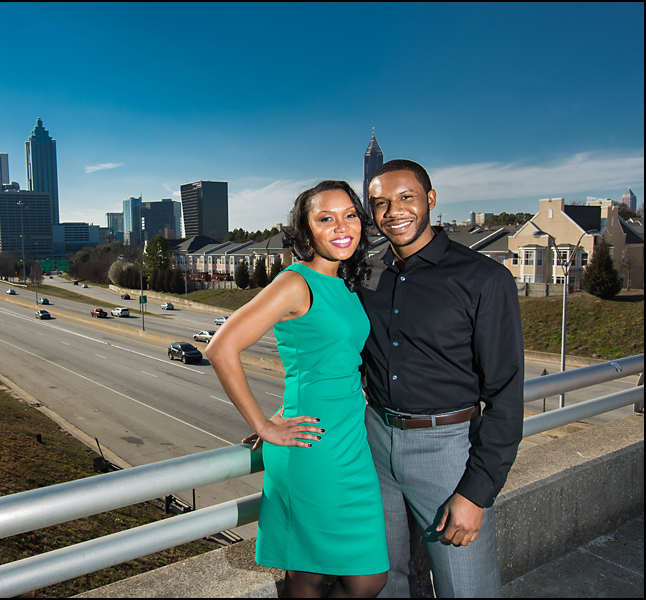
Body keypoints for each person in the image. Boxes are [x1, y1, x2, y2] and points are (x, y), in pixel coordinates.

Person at [206, 180, 388, 598]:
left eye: (349, 215)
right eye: (325, 218)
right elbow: (221, 348)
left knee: (367, 577)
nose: (342, 226)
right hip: (313, 447)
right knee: (314, 575)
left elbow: (332, 359)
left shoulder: (343, 283)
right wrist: (265, 426)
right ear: (306, 232)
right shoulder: (295, 282)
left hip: (351, 443)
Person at [358, 159, 524, 598]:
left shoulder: (485, 279)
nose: (393, 211)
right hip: (375, 440)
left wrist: (476, 493)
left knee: (465, 587)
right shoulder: (367, 275)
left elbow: (506, 396)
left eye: (405, 198)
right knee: (382, 581)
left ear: (430, 200)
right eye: (380, 203)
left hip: (448, 450)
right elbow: (339, 357)